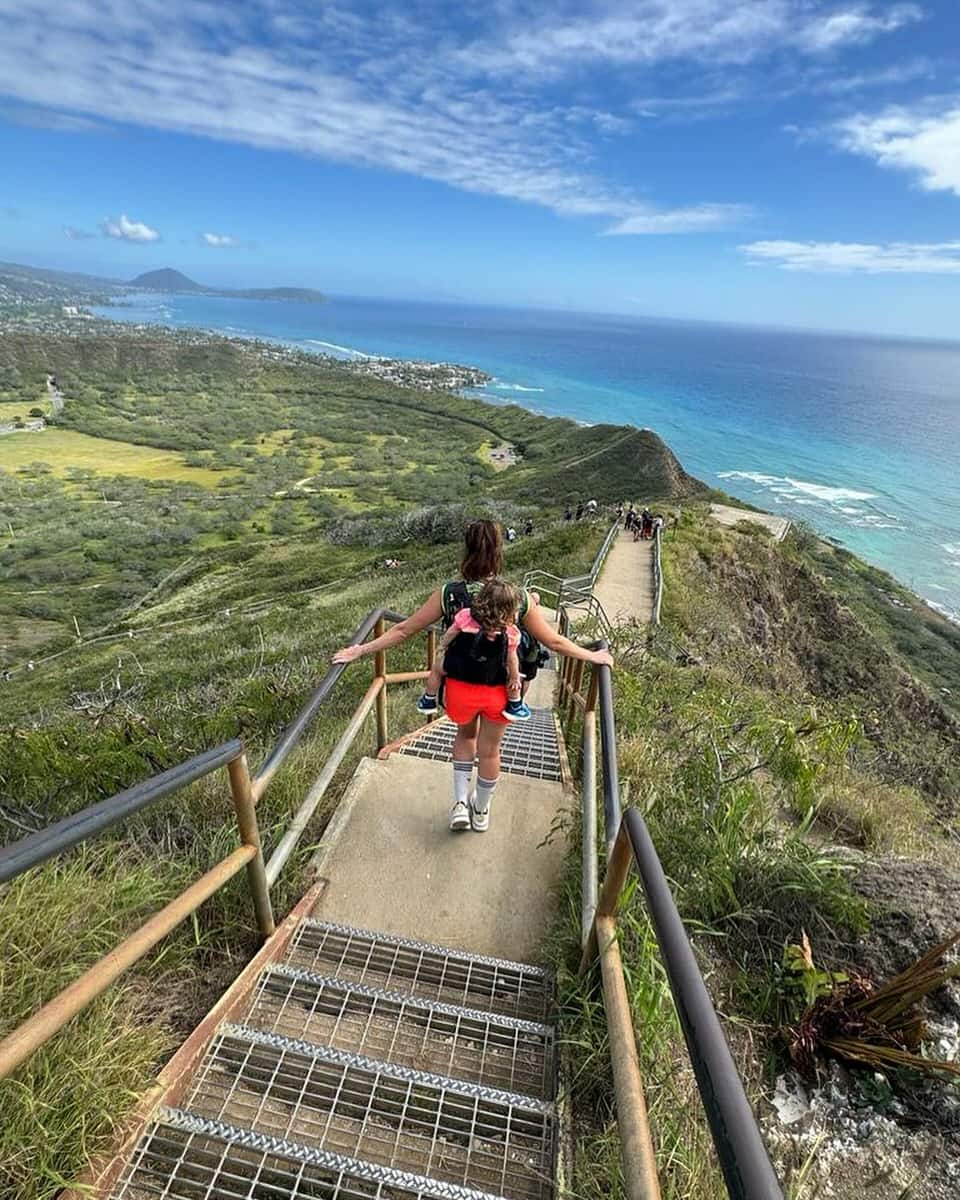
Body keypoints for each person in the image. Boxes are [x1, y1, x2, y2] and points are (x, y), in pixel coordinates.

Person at [333, 519, 613, 834]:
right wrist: (592, 656)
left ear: (466, 551)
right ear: (499, 552)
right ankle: (481, 811)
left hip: (459, 688)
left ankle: (459, 805)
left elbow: (403, 630)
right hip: (500, 692)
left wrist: (360, 649)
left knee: (465, 737)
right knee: (490, 750)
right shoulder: (516, 597)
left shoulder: (448, 594)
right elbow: (554, 642)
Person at [417, 577, 531, 723]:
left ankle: (429, 698)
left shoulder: (466, 615)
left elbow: (451, 632)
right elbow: (512, 658)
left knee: (437, 669)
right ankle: (515, 704)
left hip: (461, 666)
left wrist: (443, 646)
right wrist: (514, 677)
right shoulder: (510, 631)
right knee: (514, 677)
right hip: (493, 670)